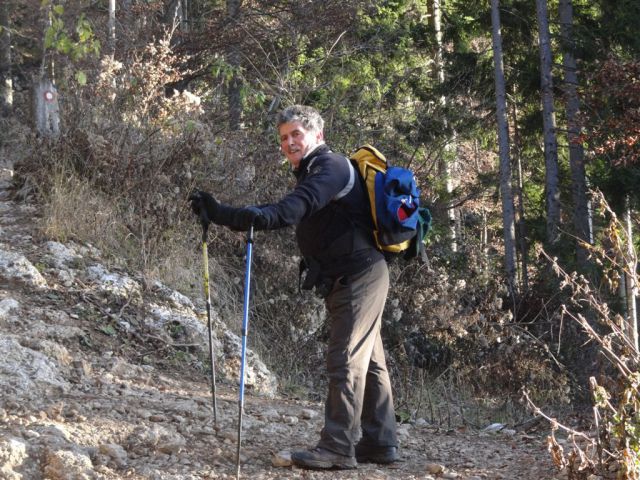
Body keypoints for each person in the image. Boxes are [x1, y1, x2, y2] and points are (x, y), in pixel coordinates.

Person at [189, 105, 398, 470]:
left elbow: (294, 208)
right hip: (352, 276)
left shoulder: (330, 167)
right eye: (284, 138)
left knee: (346, 359)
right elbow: (292, 208)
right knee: (370, 362)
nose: (289, 143)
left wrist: (254, 216)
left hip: (359, 276)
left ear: (317, 135)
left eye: (296, 135)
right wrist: (220, 213)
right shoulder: (313, 171)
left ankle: (336, 447)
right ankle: (380, 443)